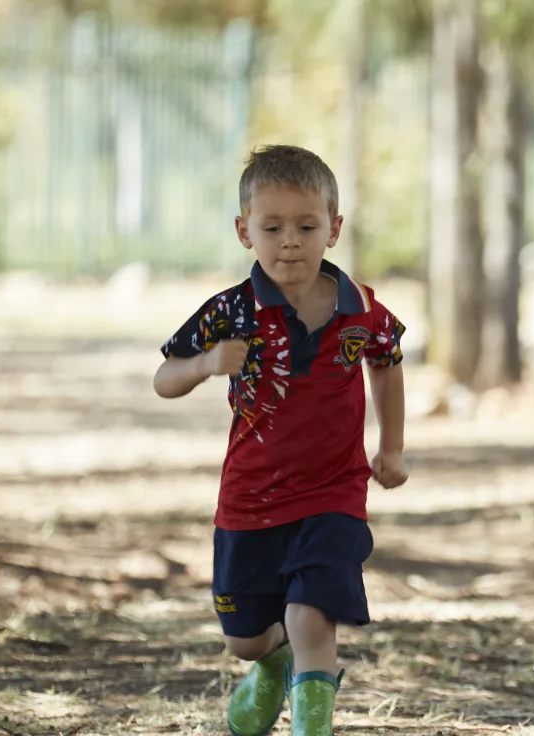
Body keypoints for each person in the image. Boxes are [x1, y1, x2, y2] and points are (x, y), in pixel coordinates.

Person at [153, 144, 408, 736]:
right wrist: (206, 363)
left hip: (333, 493)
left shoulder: (362, 308)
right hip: (249, 500)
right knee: (245, 638)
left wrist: (390, 446)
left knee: (310, 614)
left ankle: (311, 723)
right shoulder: (230, 311)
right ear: (245, 232)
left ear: (334, 229)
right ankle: (272, 668)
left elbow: (388, 361)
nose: (289, 240)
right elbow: (165, 378)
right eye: (273, 227)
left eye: (306, 226)